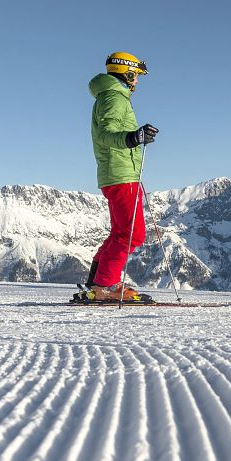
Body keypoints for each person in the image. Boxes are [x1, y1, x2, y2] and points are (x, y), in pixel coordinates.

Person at [83, 52, 159, 301]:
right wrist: (132, 138)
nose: (137, 81)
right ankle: (105, 286)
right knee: (132, 235)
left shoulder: (111, 96)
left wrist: (134, 138)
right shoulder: (114, 98)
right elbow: (107, 133)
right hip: (120, 174)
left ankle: (97, 282)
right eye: (135, 76)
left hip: (118, 173)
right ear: (126, 73)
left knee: (120, 233)